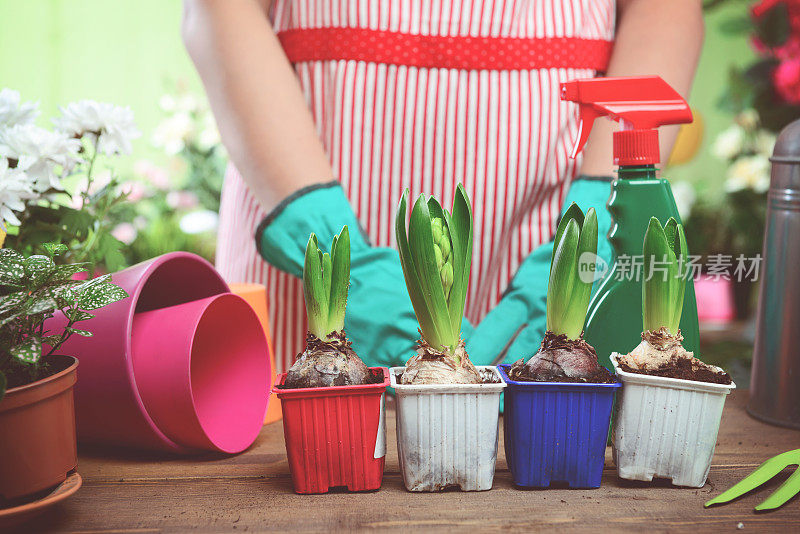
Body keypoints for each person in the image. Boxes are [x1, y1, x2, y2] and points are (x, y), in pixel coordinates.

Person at [183, 0, 703, 373]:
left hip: (557, 198)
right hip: (291, 177)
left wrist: (604, 206)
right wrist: (324, 233)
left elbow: (666, 9)